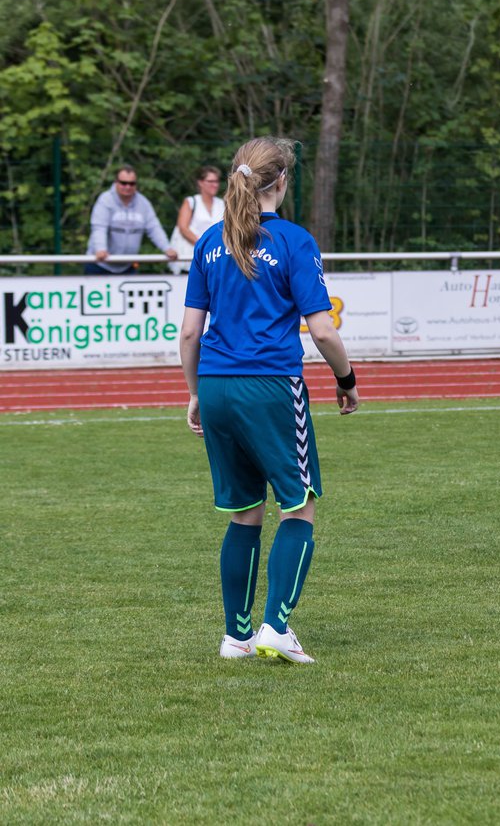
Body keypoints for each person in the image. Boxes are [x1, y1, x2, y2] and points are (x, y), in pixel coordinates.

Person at [179, 137, 359, 663]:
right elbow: (323, 331)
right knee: (298, 507)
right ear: (282, 181)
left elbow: (190, 332)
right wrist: (347, 381)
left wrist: (194, 392)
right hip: (271, 386)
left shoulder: (210, 241)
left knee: (243, 513)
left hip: (214, 384)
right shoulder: (295, 241)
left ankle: (235, 636)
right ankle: (275, 628)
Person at [85, 164, 178, 274]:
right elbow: (99, 227)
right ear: (116, 183)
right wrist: (101, 249)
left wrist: (167, 248)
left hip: (128, 267)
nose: (127, 187)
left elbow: (154, 228)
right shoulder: (105, 200)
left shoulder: (143, 203)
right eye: (123, 183)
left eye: (132, 183)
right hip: (100, 265)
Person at [169, 166, 225, 274]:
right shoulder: (191, 202)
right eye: (211, 181)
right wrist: (202, 244)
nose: (215, 185)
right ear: (200, 182)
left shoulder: (222, 204)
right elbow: (183, 228)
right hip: (191, 258)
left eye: (217, 181)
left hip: (215, 258)